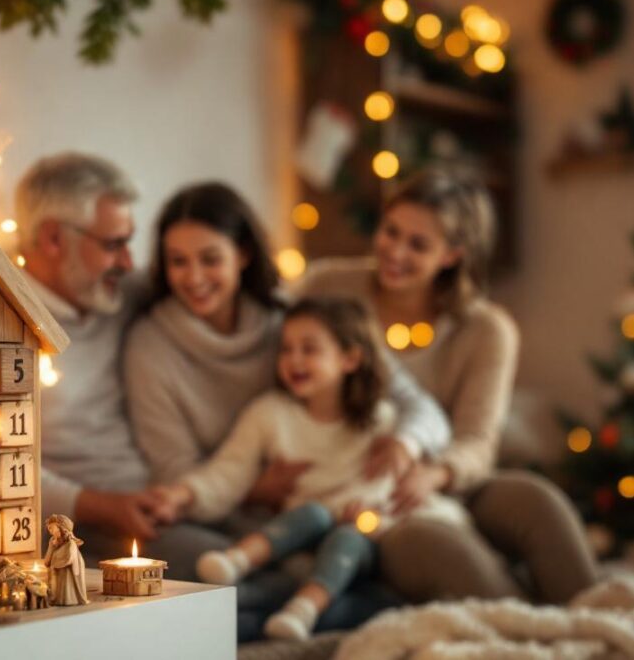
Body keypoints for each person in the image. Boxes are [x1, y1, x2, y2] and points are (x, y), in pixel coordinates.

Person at [300, 170, 598, 603]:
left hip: (447, 479)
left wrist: (435, 474)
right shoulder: (329, 288)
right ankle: (523, 629)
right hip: (368, 496)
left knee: (537, 500)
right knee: (439, 545)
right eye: (391, 231)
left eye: (418, 244)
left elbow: (477, 441)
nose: (395, 252)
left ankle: (599, 621)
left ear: (453, 255)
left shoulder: (486, 329)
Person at [154, 297, 468, 640]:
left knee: (345, 538)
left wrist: (368, 518)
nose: (294, 360)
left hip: (358, 542)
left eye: (309, 349)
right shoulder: (269, 414)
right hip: (297, 536)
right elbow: (228, 472)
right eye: (286, 349)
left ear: (350, 359)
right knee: (313, 516)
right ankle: (235, 563)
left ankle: (303, 611)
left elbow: (390, 489)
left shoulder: (381, 421)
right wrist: (180, 495)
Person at [124, 181, 451, 492]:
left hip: (336, 499)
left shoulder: (290, 320)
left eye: (210, 259)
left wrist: (405, 444)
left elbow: (419, 406)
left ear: (243, 255)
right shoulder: (150, 348)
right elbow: (172, 472)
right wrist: (254, 491)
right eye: (178, 261)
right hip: (219, 511)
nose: (194, 277)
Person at [15, 153, 240, 582]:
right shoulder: (0, 323)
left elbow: (220, 290)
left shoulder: (119, 294)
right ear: (53, 239)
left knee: (288, 556)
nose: (129, 262)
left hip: (165, 500)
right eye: (113, 244)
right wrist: (99, 506)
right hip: (80, 526)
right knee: (237, 570)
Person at [43, 514, 89, 606]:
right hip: (56, 576)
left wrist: (54, 565)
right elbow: (46, 562)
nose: (50, 530)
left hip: (67, 574)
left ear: (61, 528)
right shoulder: (53, 542)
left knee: (66, 589)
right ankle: (56, 599)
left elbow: (68, 559)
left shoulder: (71, 544)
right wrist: (51, 547)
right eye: (49, 528)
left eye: (52, 527)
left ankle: (69, 599)